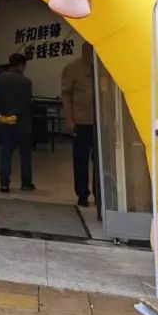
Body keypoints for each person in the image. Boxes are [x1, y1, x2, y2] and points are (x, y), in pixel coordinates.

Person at [0, 53, 34, 193]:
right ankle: (26, 183)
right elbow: (27, 104)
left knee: (5, 153)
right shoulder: (26, 82)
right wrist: (17, 115)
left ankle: (4, 183)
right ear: (21, 65)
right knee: (25, 154)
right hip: (22, 123)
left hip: (4, 122)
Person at [61, 42, 97, 207]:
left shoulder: (103, 67)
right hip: (81, 122)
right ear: (84, 50)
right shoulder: (72, 68)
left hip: (101, 124)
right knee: (81, 159)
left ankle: (100, 194)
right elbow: (65, 95)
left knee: (100, 161)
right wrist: (69, 119)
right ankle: (82, 194)